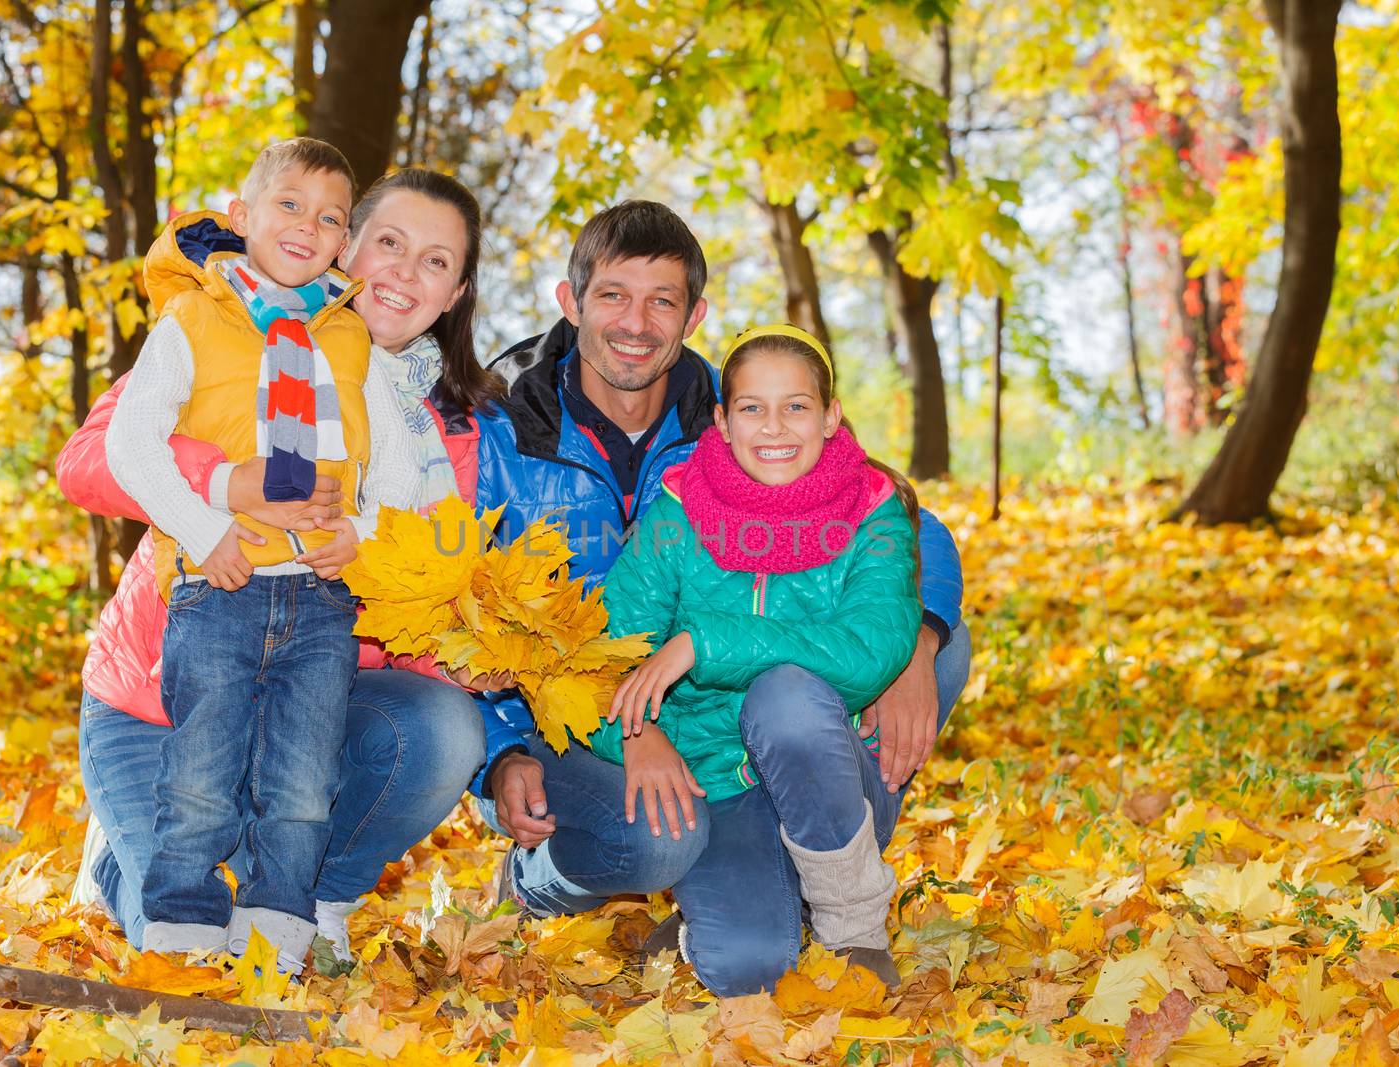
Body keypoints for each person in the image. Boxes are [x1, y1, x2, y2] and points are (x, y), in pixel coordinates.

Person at [468, 201, 971, 997]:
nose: (637, 322)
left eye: (662, 301)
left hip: (786, 705)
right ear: (571, 302)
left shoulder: (734, 407)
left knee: (874, 662)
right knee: (723, 931)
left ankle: (821, 892)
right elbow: (462, 607)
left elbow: (910, 524)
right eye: (613, 296)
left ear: (692, 316)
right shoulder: (504, 426)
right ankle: (567, 881)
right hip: (592, 714)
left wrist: (920, 642)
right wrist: (510, 750)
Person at [61, 166, 499, 967]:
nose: (405, 272)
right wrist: (227, 482)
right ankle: (114, 855)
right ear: (343, 246)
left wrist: (469, 647)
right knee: (172, 914)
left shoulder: (454, 438)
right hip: (158, 693)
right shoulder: (237, 328)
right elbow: (87, 458)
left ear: (456, 292)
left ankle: (315, 897)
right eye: (388, 243)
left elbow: (427, 595)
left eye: (435, 261)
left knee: (441, 728)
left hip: (315, 682)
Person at [593, 325, 923, 987]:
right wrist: (639, 733)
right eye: (752, 407)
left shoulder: (872, 513)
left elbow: (872, 649)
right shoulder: (676, 516)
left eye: (797, 405)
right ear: (721, 418)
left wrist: (706, 641)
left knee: (788, 697)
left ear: (831, 416)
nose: (775, 426)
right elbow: (604, 656)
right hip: (718, 781)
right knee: (747, 968)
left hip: (834, 772)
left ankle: (853, 924)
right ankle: (726, 907)